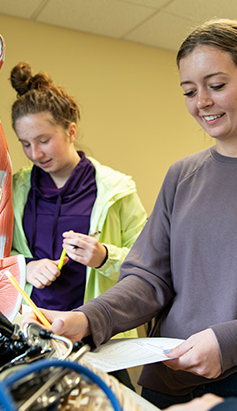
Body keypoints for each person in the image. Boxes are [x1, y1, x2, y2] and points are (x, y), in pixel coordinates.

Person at [24, 19, 237, 410]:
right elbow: (150, 278)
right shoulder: (182, 175)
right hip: (168, 379)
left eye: (216, 85)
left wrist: (230, 342)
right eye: (189, 91)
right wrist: (90, 318)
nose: (201, 101)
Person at [9, 62, 148, 331]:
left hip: (96, 330)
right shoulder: (14, 189)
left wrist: (104, 257)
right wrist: (25, 266)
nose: (35, 154)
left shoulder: (116, 189)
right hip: (30, 325)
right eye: (25, 144)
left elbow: (148, 264)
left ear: (71, 131)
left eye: (44, 140)